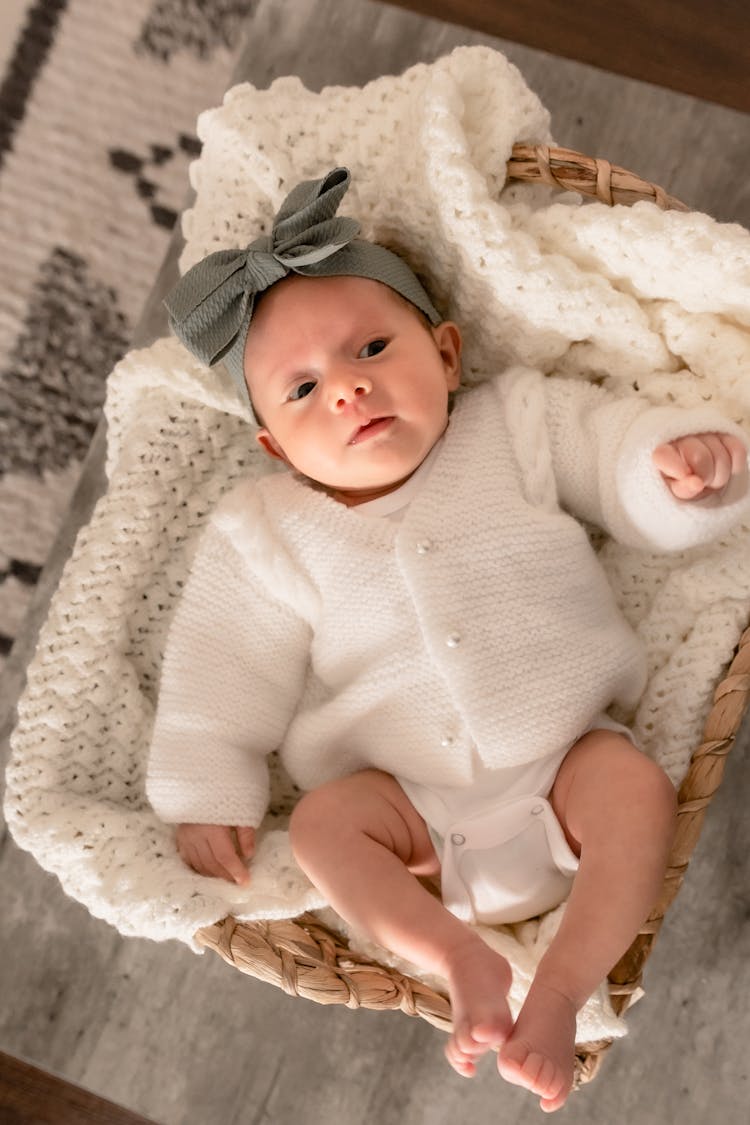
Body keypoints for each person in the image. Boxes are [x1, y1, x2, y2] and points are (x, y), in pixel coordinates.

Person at [147, 169, 750, 1112]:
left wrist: (674, 468)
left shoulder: (514, 423)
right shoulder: (265, 529)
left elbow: (613, 447)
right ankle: (454, 954)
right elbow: (220, 664)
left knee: (637, 786)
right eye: (303, 389)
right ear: (274, 445)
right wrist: (207, 781)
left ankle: (557, 989)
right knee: (318, 824)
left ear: (449, 352)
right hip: (412, 817)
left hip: (567, 766)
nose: (349, 388)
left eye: (374, 348)